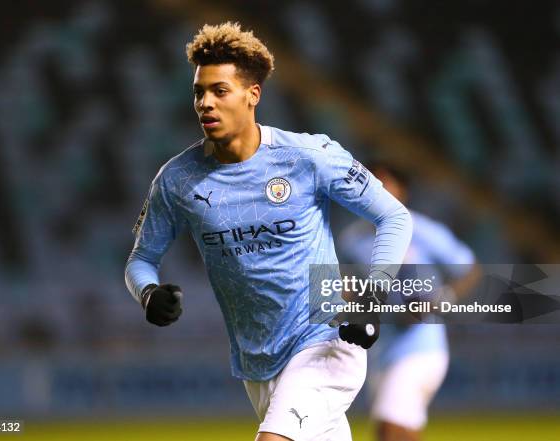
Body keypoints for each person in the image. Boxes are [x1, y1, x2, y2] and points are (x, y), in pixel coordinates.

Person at [125, 22, 413, 441]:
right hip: (257, 362)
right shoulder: (177, 180)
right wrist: (148, 293)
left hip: (326, 340)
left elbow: (394, 216)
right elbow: (141, 259)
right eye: (198, 92)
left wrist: (372, 297)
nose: (205, 103)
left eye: (219, 91)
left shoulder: (308, 156)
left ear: (252, 95)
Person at [339, 163, 480, 441]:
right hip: (379, 348)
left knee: (389, 429)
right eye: (370, 182)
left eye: (384, 182)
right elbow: (347, 288)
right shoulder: (353, 239)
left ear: (402, 191)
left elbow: (468, 268)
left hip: (421, 345)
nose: (376, 189)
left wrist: (437, 300)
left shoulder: (422, 230)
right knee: (401, 431)